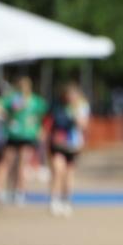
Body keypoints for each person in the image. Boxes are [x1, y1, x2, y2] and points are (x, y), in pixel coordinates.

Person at [0, 76, 47, 205]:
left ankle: (19, 192)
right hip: (13, 135)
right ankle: (0, 191)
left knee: (22, 163)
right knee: (7, 162)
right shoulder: (13, 98)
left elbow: (42, 115)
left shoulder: (36, 101)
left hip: (28, 136)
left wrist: (39, 128)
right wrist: (6, 117)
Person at [46, 82, 90, 217]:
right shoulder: (57, 106)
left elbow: (83, 125)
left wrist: (76, 113)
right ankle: (54, 200)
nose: (71, 98)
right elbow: (51, 123)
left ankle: (66, 200)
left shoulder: (82, 107)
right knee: (58, 170)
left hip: (73, 145)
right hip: (58, 143)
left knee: (69, 173)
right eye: (68, 96)